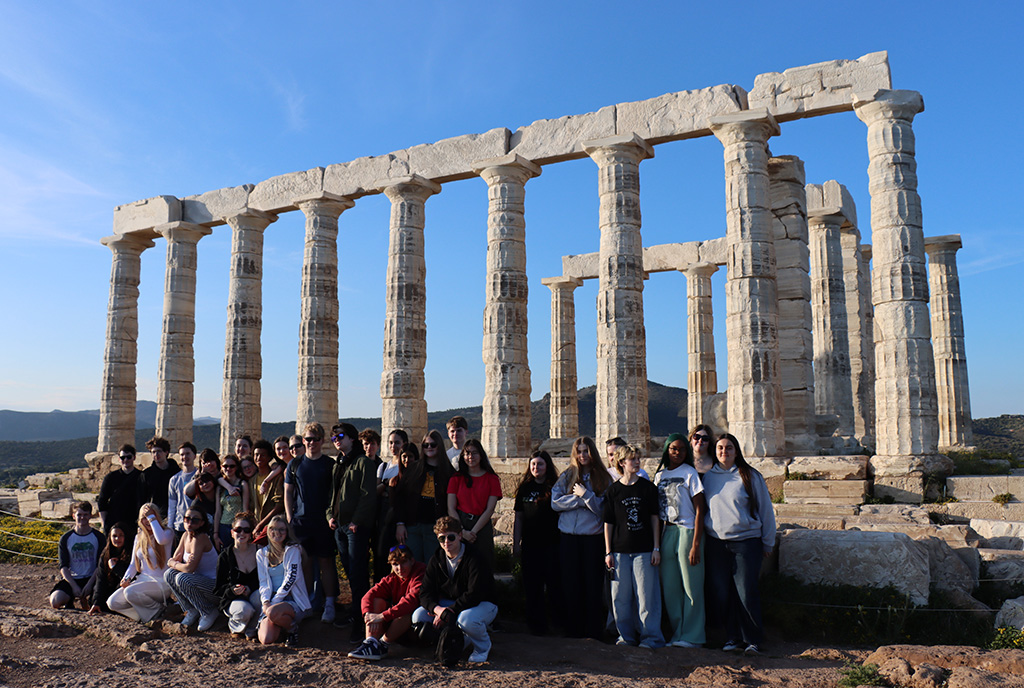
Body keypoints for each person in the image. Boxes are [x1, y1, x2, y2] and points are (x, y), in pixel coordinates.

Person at [703, 433, 776, 655]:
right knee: (722, 592)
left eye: (729, 448)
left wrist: (768, 542)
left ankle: (752, 639)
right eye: (720, 448)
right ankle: (732, 637)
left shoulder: (750, 476)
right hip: (716, 542)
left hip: (746, 542)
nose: (724, 452)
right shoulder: (708, 477)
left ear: (737, 451)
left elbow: (765, 510)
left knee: (746, 591)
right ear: (715, 452)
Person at [413, 516, 498, 664]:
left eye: (451, 537)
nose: (446, 542)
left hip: (482, 603)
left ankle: (482, 647)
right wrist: (439, 610)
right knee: (418, 616)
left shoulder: (475, 558)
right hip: (450, 603)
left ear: (460, 536)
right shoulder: (437, 559)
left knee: (466, 620)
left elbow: (475, 594)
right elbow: (425, 593)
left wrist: (449, 611)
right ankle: (452, 641)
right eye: (442, 538)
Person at [551, 436, 612, 639]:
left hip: (592, 539)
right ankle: (573, 629)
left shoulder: (603, 477)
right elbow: (555, 502)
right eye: (579, 451)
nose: (583, 455)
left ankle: (594, 630)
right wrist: (578, 500)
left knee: (592, 584)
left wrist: (587, 496)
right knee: (570, 583)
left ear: (592, 453)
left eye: (586, 451)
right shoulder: (568, 475)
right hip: (569, 537)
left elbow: (603, 510)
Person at [603, 444, 663, 649]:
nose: (637, 462)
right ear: (622, 463)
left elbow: (656, 519)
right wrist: (608, 552)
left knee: (647, 597)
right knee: (620, 597)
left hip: (645, 550)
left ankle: (651, 638)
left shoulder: (648, 488)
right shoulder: (613, 491)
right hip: (619, 552)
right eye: (632, 459)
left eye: (638, 458)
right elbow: (608, 523)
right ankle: (626, 637)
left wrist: (656, 548)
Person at [654, 433, 707, 648]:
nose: (677, 453)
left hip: (688, 531)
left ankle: (693, 636)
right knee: (671, 587)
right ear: (667, 450)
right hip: (668, 531)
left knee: (691, 586)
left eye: (682, 449)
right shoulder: (659, 475)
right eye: (674, 449)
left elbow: (700, 510)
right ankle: (677, 634)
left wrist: (695, 544)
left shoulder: (690, 473)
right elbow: (656, 512)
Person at [327, 421, 378, 637]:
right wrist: (330, 514)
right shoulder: (338, 463)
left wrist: (356, 521)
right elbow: (333, 493)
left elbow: (368, 495)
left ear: (352, 438)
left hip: (355, 527)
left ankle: (360, 623)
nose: (336, 441)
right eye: (334, 438)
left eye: (340, 437)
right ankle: (356, 613)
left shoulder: (363, 462)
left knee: (358, 574)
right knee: (350, 572)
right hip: (338, 525)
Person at [284, 422, 338, 624]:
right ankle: (306, 604)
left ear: (322, 441)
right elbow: (288, 492)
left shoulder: (329, 464)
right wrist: (290, 518)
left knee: (326, 562)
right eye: (307, 439)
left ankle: (330, 603)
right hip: (301, 521)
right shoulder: (295, 464)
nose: (311, 442)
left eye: (315, 439)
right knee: (305, 563)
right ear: (303, 440)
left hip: (323, 521)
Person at [512, 450, 562, 635]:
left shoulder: (555, 487)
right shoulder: (525, 488)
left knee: (555, 584)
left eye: (540, 464)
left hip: (552, 544)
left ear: (547, 466)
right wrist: (516, 543)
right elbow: (519, 518)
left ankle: (558, 623)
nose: (536, 468)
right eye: (533, 464)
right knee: (532, 586)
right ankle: (536, 625)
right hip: (530, 545)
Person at [348, 544, 426, 661]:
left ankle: (383, 644)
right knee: (377, 602)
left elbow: (412, 600)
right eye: (395, 564)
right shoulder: (392, 578)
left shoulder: (421, 573)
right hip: (395, 626)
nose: (400, 568)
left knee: (407, 611)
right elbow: (368, 596)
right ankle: (371, 642)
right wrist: (368, 615)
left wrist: (382, 616)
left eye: (403, 562)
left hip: (417, 627)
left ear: (412, 561)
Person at [393, 430, 453, 565]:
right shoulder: (413, 469)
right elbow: (400, 498)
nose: (429, 448)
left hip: (436, 527)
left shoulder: (449, 472)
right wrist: (400, 523)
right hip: (413, 526)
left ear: (440, 446)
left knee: (433, 567)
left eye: (433, 445)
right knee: (412, 566)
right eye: (426, 445)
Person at [107, 503, 173, 623]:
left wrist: (152, 519)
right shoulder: (139, 537)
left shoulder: (167, 533)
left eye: (150, 516)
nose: (147, 520)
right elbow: (133, 564)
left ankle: (157, 611)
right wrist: (126, 578)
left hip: (161, 582)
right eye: (144, 517)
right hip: (143, 580)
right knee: (113, 602)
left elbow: (161, 540)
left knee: (130, 592)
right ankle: (143, 616)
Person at [446, 439, 502, 571]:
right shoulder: (456, 478)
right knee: (461, 567)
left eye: (474, 453)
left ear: (481, 455)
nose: (470, 457)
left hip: (482, 526)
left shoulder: (492, 479)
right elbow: (451, 507)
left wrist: (473, 532)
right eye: (467, 453)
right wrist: (461, 531)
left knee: (484, 566)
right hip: (460, 524)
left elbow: (490, 509)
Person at [257, 515, 311, 646]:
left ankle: (292, 629)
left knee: (272, 612)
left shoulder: (293, 550)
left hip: (291, 599)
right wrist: (265, 602)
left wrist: (274, 602)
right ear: (268, 531)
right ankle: (280, 625)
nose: (277, 533)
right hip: (272, 602)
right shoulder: (261, 554)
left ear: (287, 532)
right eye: (273, 529)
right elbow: (263, 581)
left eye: (282, 529)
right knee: (266, 639)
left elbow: (291, 578)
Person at [165, 507, 220, 631]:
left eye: (194, 520)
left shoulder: (200, 538)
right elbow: (174, 559)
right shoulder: (185, 535)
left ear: (202, 523)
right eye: (187, 519)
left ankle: (208, 610)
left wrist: (176, 563)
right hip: (197, 583)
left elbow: (188, 568)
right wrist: (177, 564)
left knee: (182, 578)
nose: (189, 523)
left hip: (213, 587)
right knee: (169, 574)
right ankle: (191, 609)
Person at [374, 443, 418, 582]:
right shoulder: (394, 480)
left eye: (410, 456)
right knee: (383, 557)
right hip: (392, 523)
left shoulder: (422, 479)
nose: (407, 460)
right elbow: (394, 505)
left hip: (412, 524)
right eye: (404, 457)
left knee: (407, 560)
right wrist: (400, 524)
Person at [215, 511, 261, 640]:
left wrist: (249, 588)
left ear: (251, 533)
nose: (242, 533)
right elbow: (218, 588)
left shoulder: (259, 552)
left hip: (254, 594)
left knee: (262, 597)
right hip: (233, 600)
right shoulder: (225, 556)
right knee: (244, 609)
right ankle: (236, 628)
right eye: (238, 529)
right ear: (232, 532)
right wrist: (232, 590)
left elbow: (264, 579)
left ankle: (252, 630)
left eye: (246, 530)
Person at [50, 502, 104, 610]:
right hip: (73, 578)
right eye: (79, 515)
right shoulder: (66, 538)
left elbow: (100, 564)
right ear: (73, 516)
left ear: (90, 516)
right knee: (55, 601)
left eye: (85, 514)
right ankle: (70, 600)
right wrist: (74, 586)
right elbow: (63, 566)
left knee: (98, 603)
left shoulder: (99, 537)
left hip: (92, 577)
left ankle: (86, 600)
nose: (82, 517)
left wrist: (89, 584)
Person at [98, 444, 145, 537]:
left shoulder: (142, 477)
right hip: (114, 523)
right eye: (123, 457)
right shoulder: (110, 477)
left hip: (134, 523)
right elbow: (102, 501)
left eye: (129, 457)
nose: (126, 460)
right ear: (119, 459)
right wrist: (105, 525)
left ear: (134, 457)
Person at [89, 521, 132, 614]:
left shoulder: (132, 553)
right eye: (114, 536)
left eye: (121, 535)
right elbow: (100, 580)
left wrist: (115, 567)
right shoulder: (105, 555)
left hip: (125, 588)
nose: (117, 538)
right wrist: (97, 602)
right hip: (109, 589)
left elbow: (130, 578)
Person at [251, 439, 284, 544]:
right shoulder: (252, 480)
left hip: (272, 526)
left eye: (263, 455)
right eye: (256, 455)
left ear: (270, 457)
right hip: (256, 527)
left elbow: (279, 506)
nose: (259, 458)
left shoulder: (277, 478)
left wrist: (261, 524)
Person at [214, 454, 250, 550]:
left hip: (238, 527)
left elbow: (245, 509)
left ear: (236, 467)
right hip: (223, 526)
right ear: (221, 467)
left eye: (232, 466)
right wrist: (215, 533)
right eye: (225, 466)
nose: (228, 469)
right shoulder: (220, 487)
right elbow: (218, 512)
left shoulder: (242, 484)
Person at [167, 442, 198, 549]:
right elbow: (172, 505)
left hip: (198, 524)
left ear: (194, 456)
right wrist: (170, 527)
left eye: (188, 454)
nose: (185, 457)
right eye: (182, 454)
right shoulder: (174, 479)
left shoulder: (201, 476)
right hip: (179, 525)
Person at [142, 436, 181, 518]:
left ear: (166, 452)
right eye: (153, 452)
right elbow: (141, 499)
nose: (156, 454)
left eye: (159, 451)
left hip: (174, 515)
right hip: (153, 516)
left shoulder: (177, 473)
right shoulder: (146, 474)